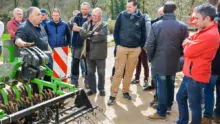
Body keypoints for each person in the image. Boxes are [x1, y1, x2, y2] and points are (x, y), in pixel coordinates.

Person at [176, 3, 219, 124]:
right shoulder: (204, 29)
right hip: (190, 73)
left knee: (194, 106)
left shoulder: (210, 35)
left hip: (196, 75)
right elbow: (190, 38)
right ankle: (182, 121)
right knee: (180, 98)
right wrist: (190, 40)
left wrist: (187, 42)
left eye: (197, 18)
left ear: (208, 18)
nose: (194, 21)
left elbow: (188, 51)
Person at [147, 1, 188, 120]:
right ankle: (169, 105)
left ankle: (161, 112)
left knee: (162, 86)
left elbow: (149, 45)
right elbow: (185, 45)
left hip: (159, 61)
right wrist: (178, 55)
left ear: (164, 11)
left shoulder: (156, 25)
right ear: (175, 11)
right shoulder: (182, 26)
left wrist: (151, 58)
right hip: (174, 61)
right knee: (170, 84)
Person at [107, 0, 145, 105]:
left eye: (130, 7)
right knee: (118, 72)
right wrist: (118, 44)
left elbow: (144, 33)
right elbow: (116, 31)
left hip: (135, 49)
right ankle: (112, 95)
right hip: (122, 48)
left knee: (129, 72)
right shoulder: (122, 15)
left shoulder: (141, 17)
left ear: (135, 7)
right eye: (127, 6)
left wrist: (140, 47)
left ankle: (125, 91)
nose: (127, 9)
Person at [73, 8, 108, 96]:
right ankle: (92, 89)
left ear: (100, 16)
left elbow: (101, 37)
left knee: (101, 73)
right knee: (90, 73)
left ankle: (101, 89)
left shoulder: (104, 25)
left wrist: (88, 36)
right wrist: (93, 33)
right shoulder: (86, 23)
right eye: (93, 15)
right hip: (88, 53)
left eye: (96, 16)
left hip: (100, 53)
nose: (94, 17)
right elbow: (82, 34)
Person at [71, 2, 91, 87]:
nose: (83, 10)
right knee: (75, 62)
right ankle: (74, 81)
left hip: (87, 44)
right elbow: (73, 28)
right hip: (77, 44)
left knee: (87, 64)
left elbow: (90, 31)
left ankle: (87, 81)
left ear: (88, 9)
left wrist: (79, 28)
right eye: (82, 9)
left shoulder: (91, 18)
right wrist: (83, 29)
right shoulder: (77, 17)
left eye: (85, 9)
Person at [130, 13, 151, 89]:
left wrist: (145, 46)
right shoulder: (138, 21)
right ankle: (137, 78)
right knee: (137, 63)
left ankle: (146, 79)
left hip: (144, 47)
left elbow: (148, 36)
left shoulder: (147, 22)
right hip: (137, 46)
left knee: (145, 63)